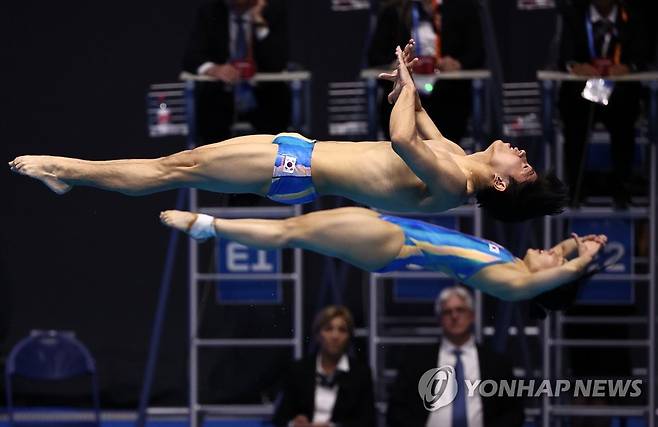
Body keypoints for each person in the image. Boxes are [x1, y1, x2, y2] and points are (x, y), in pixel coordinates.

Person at [9, 45, 566, 222]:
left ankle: (67, 172)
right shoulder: (457, 157)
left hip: (295, 170)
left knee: (172, 170)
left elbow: (401, 139)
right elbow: (413, 117)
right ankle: (69, 174)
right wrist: (405, 78)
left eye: (525, 166)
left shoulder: (453, 183)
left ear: (501, 185)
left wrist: (409, 93)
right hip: (298, 154)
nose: (520, 152)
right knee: (175, 168)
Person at [159, 206, 606, 302]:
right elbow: (557, 260)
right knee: (290, 230)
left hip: (392, 243)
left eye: (555, 257)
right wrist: (579, 247)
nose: (551, 250)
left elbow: (552, 275)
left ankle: (207, 227)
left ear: (555, 279)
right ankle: (208, 227)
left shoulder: (513, 283)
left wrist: (582, 262)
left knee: (289, 232)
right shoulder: (510, 259)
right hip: (391, 229)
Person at [387, 286, 524, 427]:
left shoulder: (497, 363)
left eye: (460, 310)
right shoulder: (415, 362)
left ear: (472, 316)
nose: (454, 316)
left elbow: (513, 412)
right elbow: (397, 411)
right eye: (447, 312)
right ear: (439, 319)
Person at [557, 0, 650, 207]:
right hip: (581, 95)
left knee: (625, 122)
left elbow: (642, 55)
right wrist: (576, 66)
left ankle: (622, 189)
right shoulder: (573, 15)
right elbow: (565, 56)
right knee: (574, 122)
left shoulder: (632, 16)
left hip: (620, 95)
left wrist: (629, 67)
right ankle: (576, 189)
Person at [368, 0, 484, 143]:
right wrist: (396, 63)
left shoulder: (463, 7)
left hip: (448, 98)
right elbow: (374, 56)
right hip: (402, 96)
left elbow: (478, 54)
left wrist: (458, 64)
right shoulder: (394, 9)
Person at [182, 0, 290, 143]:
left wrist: (259, 23)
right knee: (210, 115)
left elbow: (277, 62)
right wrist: (214, 69)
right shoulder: (210, 11)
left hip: (263, 93)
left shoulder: (272, 12)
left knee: (276, 109)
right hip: (222, 92)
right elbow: (191, 57)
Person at [272, 305, 376, 427]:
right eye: (328, 329)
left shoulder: (361, 374)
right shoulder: (298, 370)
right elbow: (279, 418)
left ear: (349, 337)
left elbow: (367, 422)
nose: (335, 336)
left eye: (342, 330)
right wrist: (293, 424)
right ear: (317, 335)